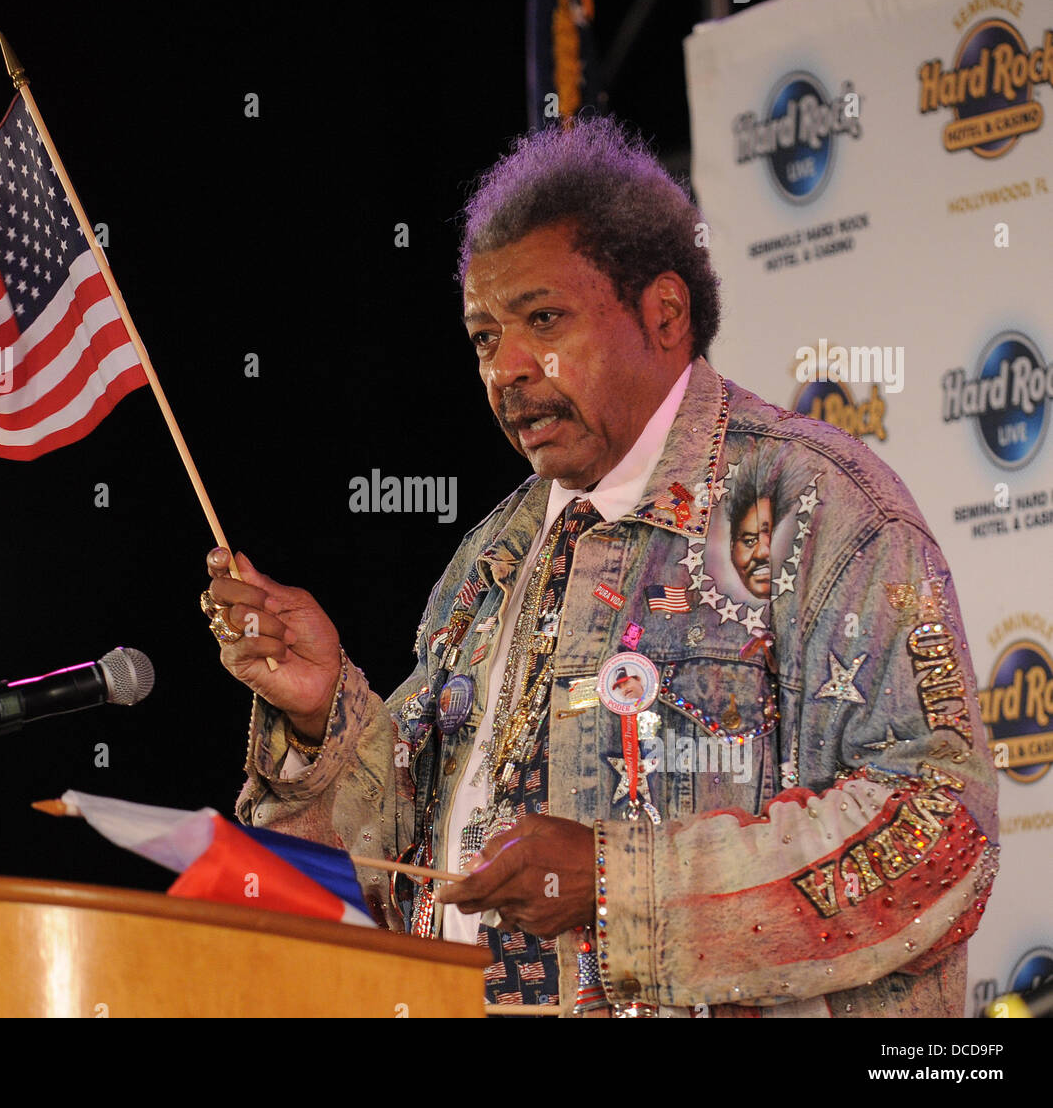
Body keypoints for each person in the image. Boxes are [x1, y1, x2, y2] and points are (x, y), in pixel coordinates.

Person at [202, 116, 999, 1016]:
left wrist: (623, 886)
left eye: (542, 319)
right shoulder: (489, 558)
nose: (503, 368)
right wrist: (321, 724)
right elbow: (398, 877)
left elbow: (942, 830)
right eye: (481, 338)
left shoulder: (809, 502)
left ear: (663, 313)